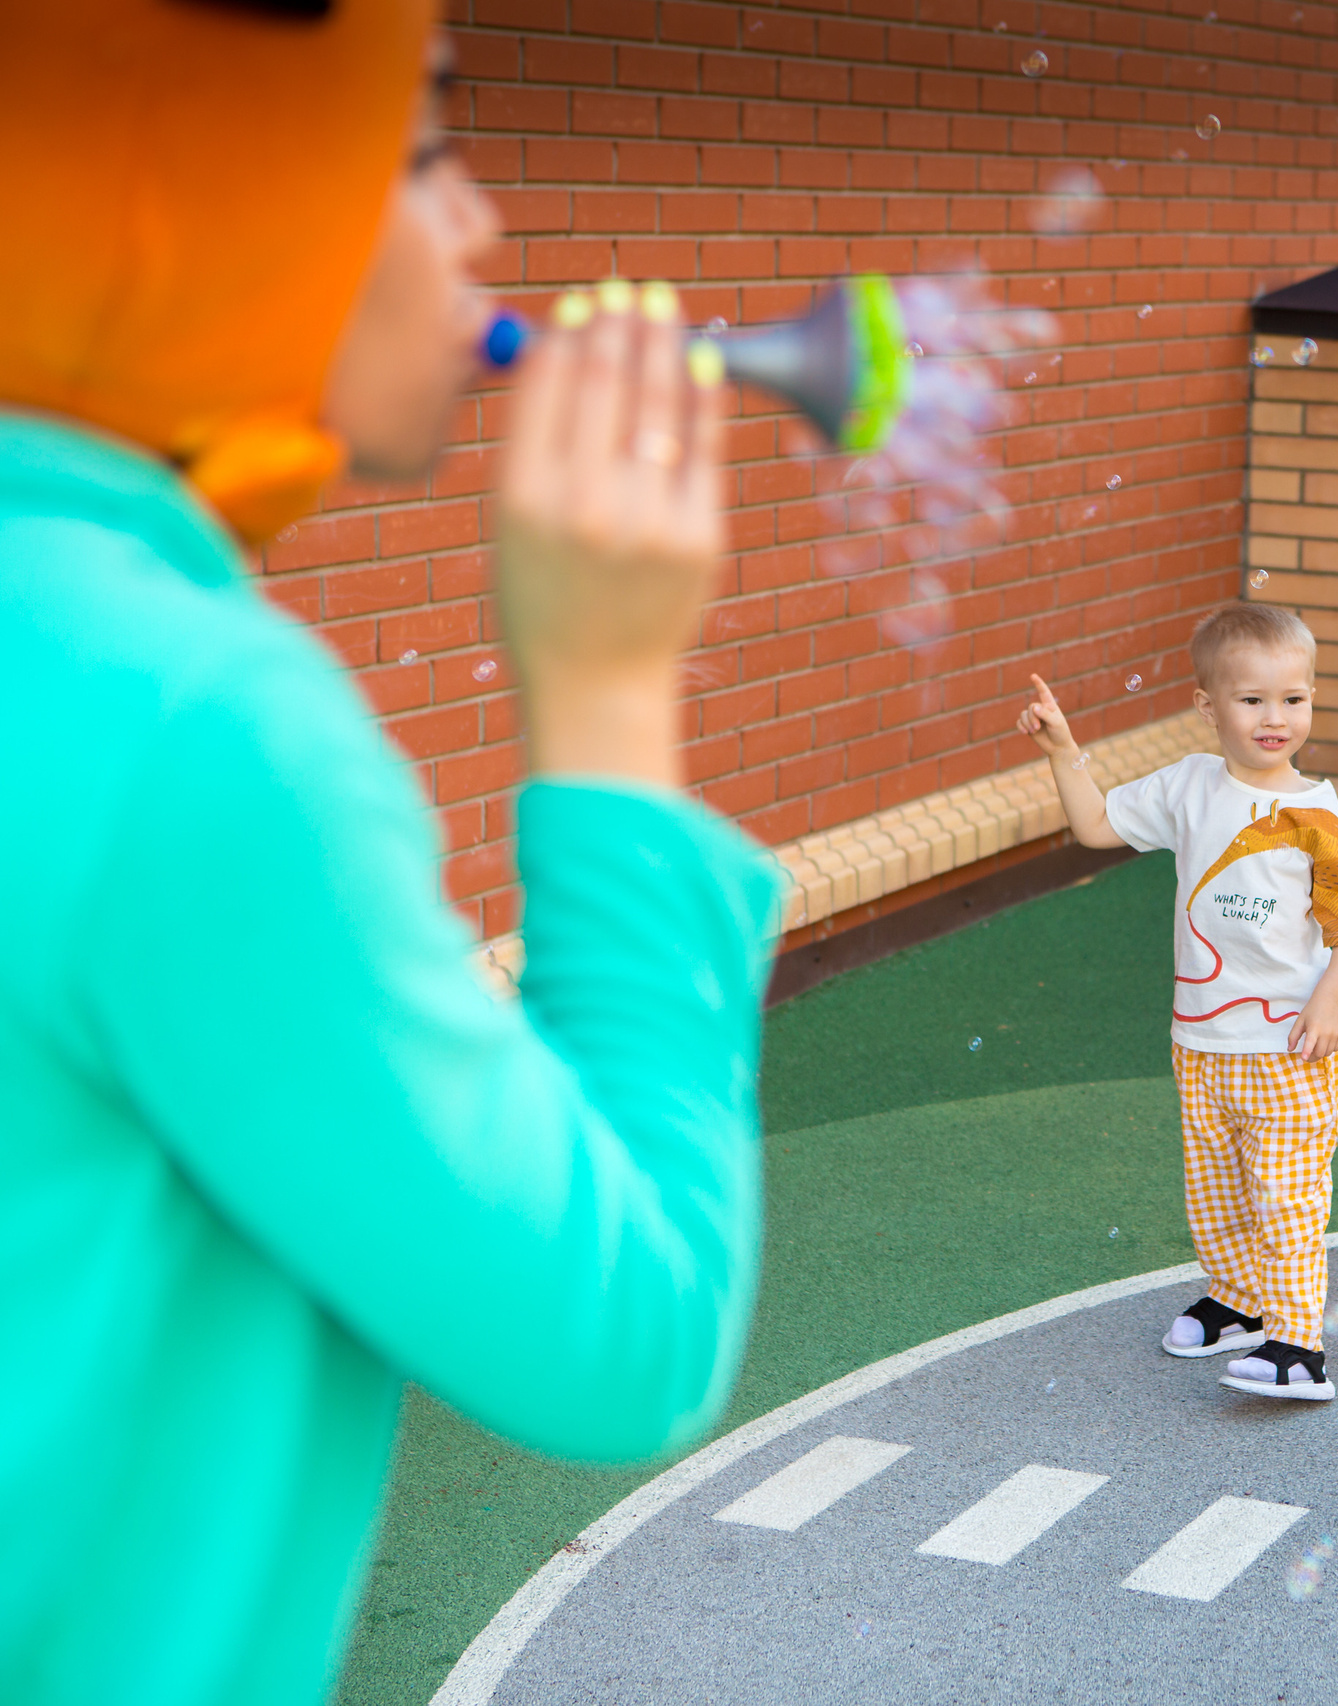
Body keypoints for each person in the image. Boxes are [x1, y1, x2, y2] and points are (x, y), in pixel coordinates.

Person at [1, 8, 779, 1702]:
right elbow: (628, 1333)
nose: (480, 226)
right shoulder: (191, 724)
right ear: (189, 176)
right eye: (421, 147)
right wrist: (611, 689)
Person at [1015, 604, 1338, 1401]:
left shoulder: (1318, 815)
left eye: (1294, 699)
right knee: (1214, 1186)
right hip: (1203, 1041)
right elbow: (1095, 826)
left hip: (1290, 1047)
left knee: (1286, 1196)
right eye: (1252, 700)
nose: (1275, 717)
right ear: (1207, 705)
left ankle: (1297, 1346)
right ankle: (1239, 1300)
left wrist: (1328, 1003)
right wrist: (1063, 751)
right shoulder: (1190, 785)